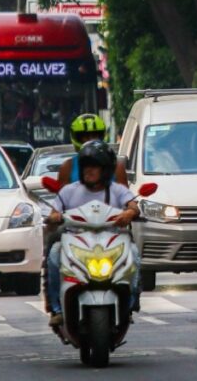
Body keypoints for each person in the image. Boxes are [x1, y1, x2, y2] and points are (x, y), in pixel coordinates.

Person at [44, 140, 141, 326]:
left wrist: (129, 213)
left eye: (94, 166)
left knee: (134, 254)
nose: (88, 170)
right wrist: (54, 217)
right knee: (54, 253)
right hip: (76, 241)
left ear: (105, 169)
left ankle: (130, 303)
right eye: (86, 166)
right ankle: (56, 308)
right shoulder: (69, 191)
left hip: (111, 241)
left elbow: (133, 206)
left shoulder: (117, 190)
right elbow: (54, 213)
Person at [57, 113, 127, 185]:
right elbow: (64, 192)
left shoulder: (117, 168)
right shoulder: (67, 168)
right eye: (86, 137)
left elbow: (123, 191)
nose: (91, 141)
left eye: (94, 136)